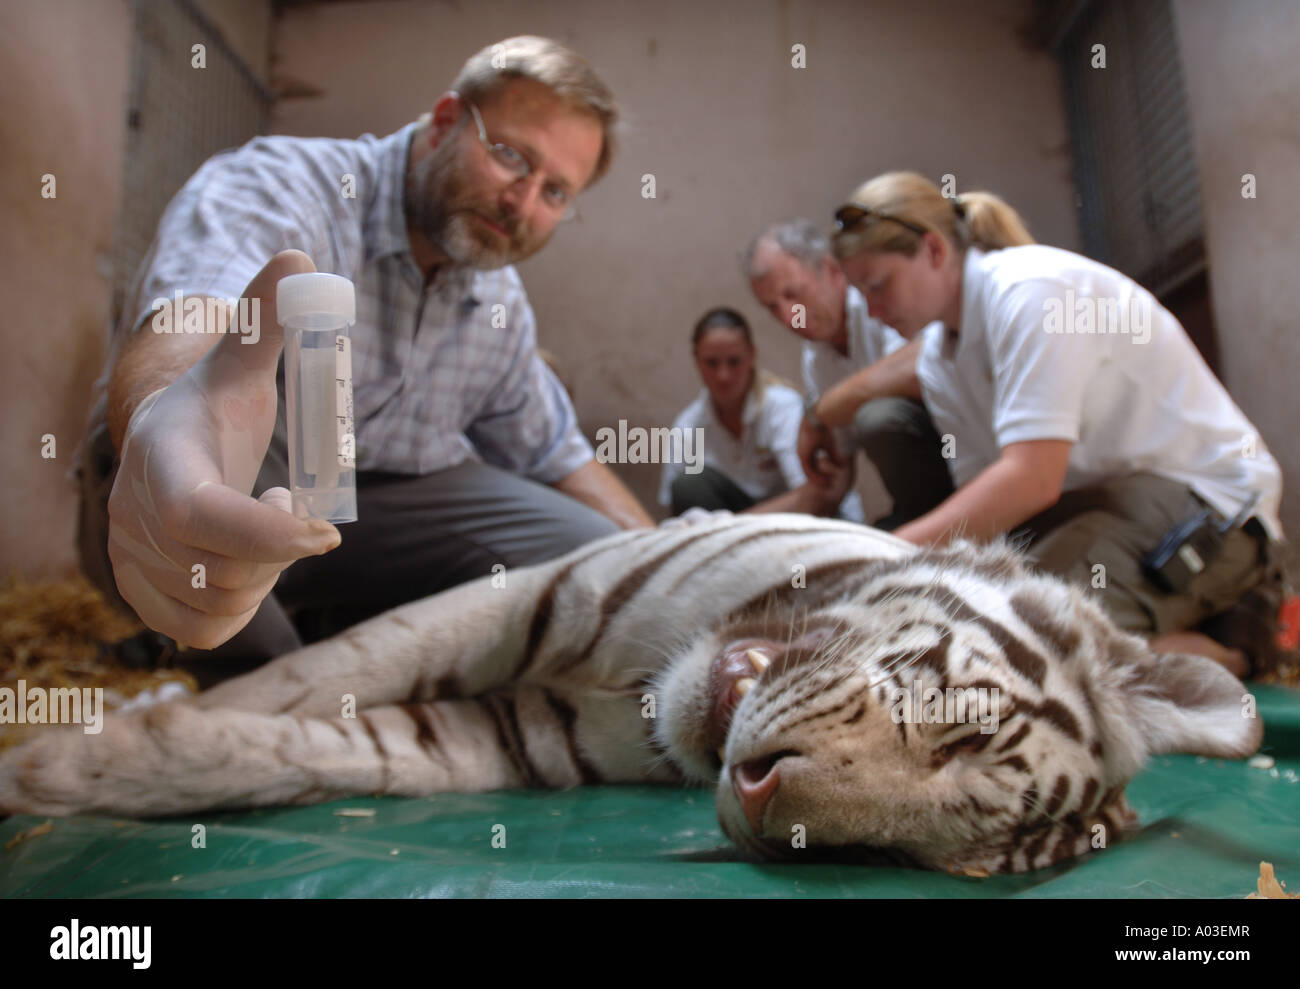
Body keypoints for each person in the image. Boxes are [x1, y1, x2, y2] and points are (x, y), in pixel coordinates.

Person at [76, 36, 654, 674]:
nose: (521, 202)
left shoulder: (500, 302)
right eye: (511, 156)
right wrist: (172, 425)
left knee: (594, 553)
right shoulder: (282, 186)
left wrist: (675, 565)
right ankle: (258, 663)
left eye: (555, 193)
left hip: (373, 522)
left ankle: (334, 632)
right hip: (240, 498)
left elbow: (557, 454)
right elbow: (193, 318)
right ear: (443, 122)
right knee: (262, 660)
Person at [810, 170, 1286, 672]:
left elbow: (1032, 479)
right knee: (966, 622)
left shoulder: (1030, 290)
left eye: (879, 284)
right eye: (862, 292)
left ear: (933, 250)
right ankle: (1179, 622)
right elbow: (988, 512)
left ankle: (1239, 649)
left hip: (1209, 504)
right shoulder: (937, 357)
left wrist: (881, 556)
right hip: (1103, 504)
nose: (872, 307)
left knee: (1032, 637)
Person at [744, 219, 952, 529]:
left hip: (971, 464)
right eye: (772, 307)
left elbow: (920, 366)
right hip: (920, 502)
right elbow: (830, 484)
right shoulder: (817, 360)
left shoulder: (879, 304)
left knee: (879, 415)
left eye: (793, 294)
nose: (789, 317)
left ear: (831, 270)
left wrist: (820, 411)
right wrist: (724, 527)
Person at [658, 307, 861, 519]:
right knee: (689, 485)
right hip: (737, 528)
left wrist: (729, 528)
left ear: (752, 355)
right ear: (696, 360)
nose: (723, 375)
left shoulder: (781, 408)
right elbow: (671, 509)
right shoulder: (689, 425)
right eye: (712, 363)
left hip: (805, 523)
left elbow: (815, 497)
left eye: (734, 361)